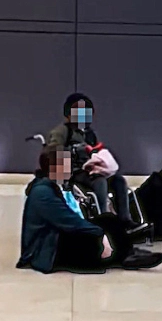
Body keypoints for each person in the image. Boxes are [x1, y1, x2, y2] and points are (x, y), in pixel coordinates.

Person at [17, 147, 162, 273]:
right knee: (93, 247)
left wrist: (99, 230)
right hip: (45, 250)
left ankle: (127, 253)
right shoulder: (43, 192)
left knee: (109, 219)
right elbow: (68, 221)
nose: (70, 169)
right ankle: (120, 256)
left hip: (53, 237)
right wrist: (100, 234)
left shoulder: (52, 186)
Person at [45, 93, 134, 225]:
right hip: (74, 173)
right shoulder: (62, 131)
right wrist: (74, 151)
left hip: (92, 169)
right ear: (69, 114)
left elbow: (95, 150)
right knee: (100, 182)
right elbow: (52, 151)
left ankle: (125, 220)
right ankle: (103, 220)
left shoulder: (90, 133)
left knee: (119, 181)